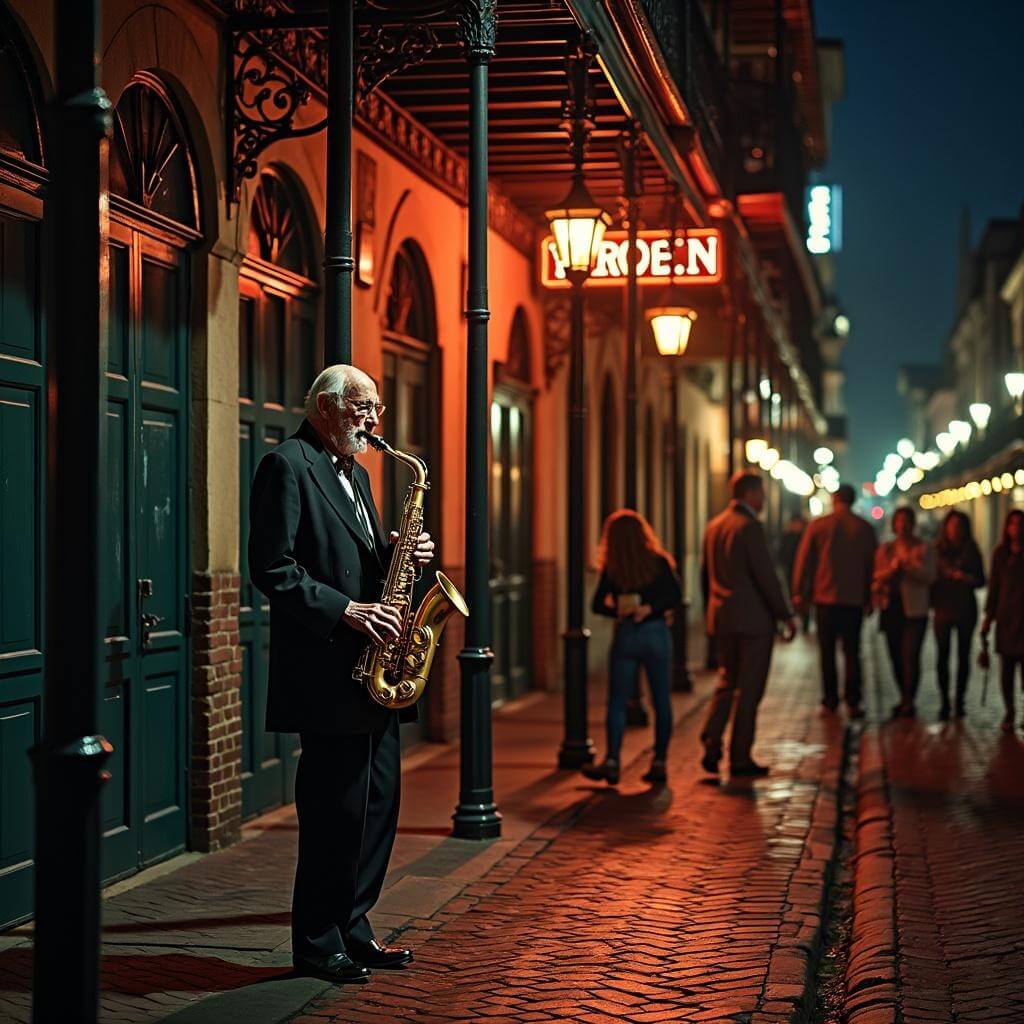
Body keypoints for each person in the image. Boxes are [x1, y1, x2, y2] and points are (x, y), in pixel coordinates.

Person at [248, 364, 435, 984]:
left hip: (372, 676)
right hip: (328, 673)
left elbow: (362, 559)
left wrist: (402, 555)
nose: (374, 419)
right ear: (327, 407)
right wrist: (346, 610)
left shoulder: (355, 473)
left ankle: (355, 927)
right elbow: (272, 568)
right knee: (334, 811)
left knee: (378, 807)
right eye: (364, 407)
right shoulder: (287, 465)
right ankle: (316, 940)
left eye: (377, 408)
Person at [700, 471, 797, 777]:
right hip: (753, 622)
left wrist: (712, 612)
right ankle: (739, 755)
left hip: (723, 618)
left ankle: (712, 738)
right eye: (763, 493)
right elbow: (766, 576)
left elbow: (706, 576)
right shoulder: (750, 527)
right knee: (750, 689)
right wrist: (785, 614)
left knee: (727, 682)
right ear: (751, 493)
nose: (765, 499)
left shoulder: (714, 526)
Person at [583, 510, 682, 786]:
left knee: (618, 701)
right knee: (661, 699)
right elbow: (674, 594)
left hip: (627, 635)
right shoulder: (659, 562)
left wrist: (619, 610)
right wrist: (650, 608)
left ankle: (613, 760)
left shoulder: (614, 568)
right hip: (656, 634)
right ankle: (660, 760)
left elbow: (597, 604)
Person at [790, 484, 876, 718]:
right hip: (853, 598)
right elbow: (872, 566)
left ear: (834, 499)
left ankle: (830, 698)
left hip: (825, 597)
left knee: (827, 651)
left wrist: (798, 592)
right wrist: (870, 597)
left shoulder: (818, 526)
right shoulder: (864, 528)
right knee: (852, 651)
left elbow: (804, 561)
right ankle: (853, 698)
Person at [872, 506, 936, 718]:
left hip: (915, 608)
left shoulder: (924, 547)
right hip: (891, 607)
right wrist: (892, 570)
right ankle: (903, 695)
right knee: (895, 655)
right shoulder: (886, 549)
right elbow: (877, 575)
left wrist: (909, 568)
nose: (902, 525)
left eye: (907, 520)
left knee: (911, 654)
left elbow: (929, 575)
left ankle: (909, 699)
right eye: (898, 521)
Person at [931, 510, 985, 720]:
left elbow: (982, 580)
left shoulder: (972, 550)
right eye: (951, 526)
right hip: (943, 608)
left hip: (965, 609)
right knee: (942, 656)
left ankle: (959, 701)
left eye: (959, 526)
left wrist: (966, 578)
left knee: (963, 656)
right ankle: (944, 701)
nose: (955, 530)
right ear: (946, 528)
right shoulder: (938, 550)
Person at [981, 509, 1024, 732]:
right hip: (1006, 618)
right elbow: (994, 588)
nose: (1016, 528)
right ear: (1007, 528)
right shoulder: (1001, 554)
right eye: (1012, 524)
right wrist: (988, 617)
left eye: (1020, 524)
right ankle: (1010, 710)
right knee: (1006, 669)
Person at [778, 514, 810, 632]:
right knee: (792, 593)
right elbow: (782, 554)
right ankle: (795, 615)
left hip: (804, 571)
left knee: (804, 595)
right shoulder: (788, 537)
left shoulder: (805, 537)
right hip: (790, 570)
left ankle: (804, 619)